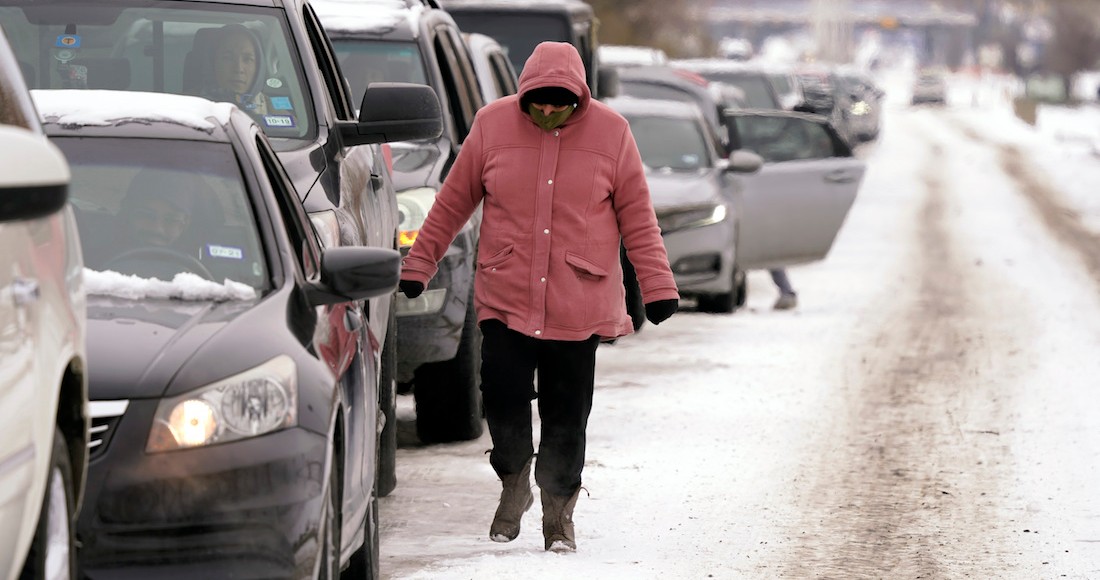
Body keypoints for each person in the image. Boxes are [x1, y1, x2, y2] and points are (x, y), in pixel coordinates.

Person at [397, 41, 679, 552]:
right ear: (524, 94)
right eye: (539, 102)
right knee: (502, 400)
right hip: (506, 295)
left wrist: (657, 287)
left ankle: (558, 513)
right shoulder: (492, 125)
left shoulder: (612, 134)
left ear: (579, 97)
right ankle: (513, 484)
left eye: (560, 102)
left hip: (579, 300)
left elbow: (639, 217)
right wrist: (419, 264)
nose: (548, 111)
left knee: (567, 412)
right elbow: (450, 205)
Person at [200, 24, 269, 114]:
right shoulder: (186, 106)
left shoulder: (275, 112)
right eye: (228, 58)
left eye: (247, 59)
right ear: (213, 63)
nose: (238, 69)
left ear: (259, 67)